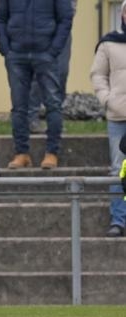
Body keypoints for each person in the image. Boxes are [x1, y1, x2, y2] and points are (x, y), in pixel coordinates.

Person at [0, 0, 74, 169]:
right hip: (16, 55)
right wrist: (6, 49)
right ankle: (21, 154)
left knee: (53, 104)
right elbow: (0, 18)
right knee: (18, 107)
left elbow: (66, 18)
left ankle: (52, 153)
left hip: (46, 53)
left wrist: (53, 51)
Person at [90, 0, 126, 237]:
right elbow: (97, 75)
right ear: (122, 16)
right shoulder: (109, 43)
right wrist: (107, 99)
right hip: (118, 116)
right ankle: (119, 219)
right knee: (118, 169)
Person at [28, 0, 77, 134]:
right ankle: (31, 118)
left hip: (62, 27)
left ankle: (55, 120)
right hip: (39, 26)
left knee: (62, 72)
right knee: (38, 74)